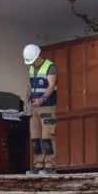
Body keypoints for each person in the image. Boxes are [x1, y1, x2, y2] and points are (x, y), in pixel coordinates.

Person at [23, 43, 58, 174]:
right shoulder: (32, 69)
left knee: (47, 137)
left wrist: (42, 99)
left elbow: (51, 86)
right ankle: (38, 165)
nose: (31, 63)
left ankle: (50, 165)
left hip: (47, 107)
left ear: (38, 55)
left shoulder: (51, 67)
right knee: (36, 138)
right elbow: (30, 86)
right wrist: (26, 102)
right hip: (34, 108)